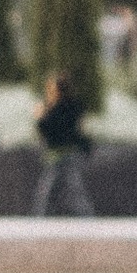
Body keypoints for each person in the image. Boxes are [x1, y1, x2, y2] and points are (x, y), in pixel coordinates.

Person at [32, 68, 95, 217]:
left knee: (54, 190)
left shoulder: (59, 109)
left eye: (51, 89)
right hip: (66, 153)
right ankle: (86, 217)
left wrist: (40, 118)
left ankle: (40, 218)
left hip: (62, 154)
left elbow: (49, 130)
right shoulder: (72, 106)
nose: (49, 92)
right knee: (69, 188)